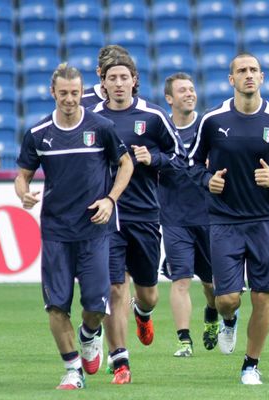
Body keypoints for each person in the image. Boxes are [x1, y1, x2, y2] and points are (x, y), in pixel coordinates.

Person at [187, 53, 269, 385]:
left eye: (253, 70)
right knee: (227, 299)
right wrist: (206, 180)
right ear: (231, 80)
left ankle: (251, 364)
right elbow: (190, 163)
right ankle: (228, 319)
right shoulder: (212, 120)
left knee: (262, 296)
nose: (248, 75)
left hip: (264, 221)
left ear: (263, 77)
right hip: (224, 221)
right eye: (241, 71)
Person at [15, 63, 133, 389]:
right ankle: (72, 370)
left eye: (75, 93)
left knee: (96, 306)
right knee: (56, 305)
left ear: (83, 92)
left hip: (94, 230)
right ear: (52, 92)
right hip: (56, 231)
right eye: (63, 93)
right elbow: (22, 175)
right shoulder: (38, 134)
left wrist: (110, 199)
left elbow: (125, 164)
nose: (69, 99)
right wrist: (24, 193)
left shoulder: (102, 127)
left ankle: (88, 334)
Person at [92, 55, 184, 383]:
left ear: (134, 80)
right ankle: (121, 361)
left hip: (145, 214)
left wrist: (153, 157)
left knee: (148, 293)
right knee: (115, 287)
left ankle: (142, 313)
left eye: (123, 77)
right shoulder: (92, 119)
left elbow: (181, 159)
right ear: (102, 82)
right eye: (111, 78)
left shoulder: (154, 116)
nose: (118, 83)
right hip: (107, 215)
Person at [161, 72, 217, 357]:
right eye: (182, 90)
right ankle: (184, 340)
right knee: (180, 280)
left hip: (209, 216)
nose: (189, 94)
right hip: (174, 217)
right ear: (169, 98)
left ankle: (212, 314)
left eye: (192, 89)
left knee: (211, 285)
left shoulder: (207, 126)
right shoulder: (161, 129)